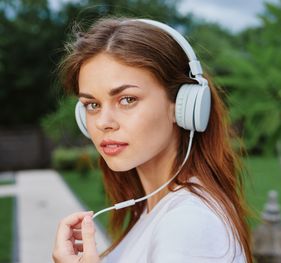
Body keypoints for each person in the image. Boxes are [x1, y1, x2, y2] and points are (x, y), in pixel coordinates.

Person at [52, 17, 253, 263]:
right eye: (92, 105)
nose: (103, 122)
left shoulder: (188, 224)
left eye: (127, 99)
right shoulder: (157, 210)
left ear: (182, 106)